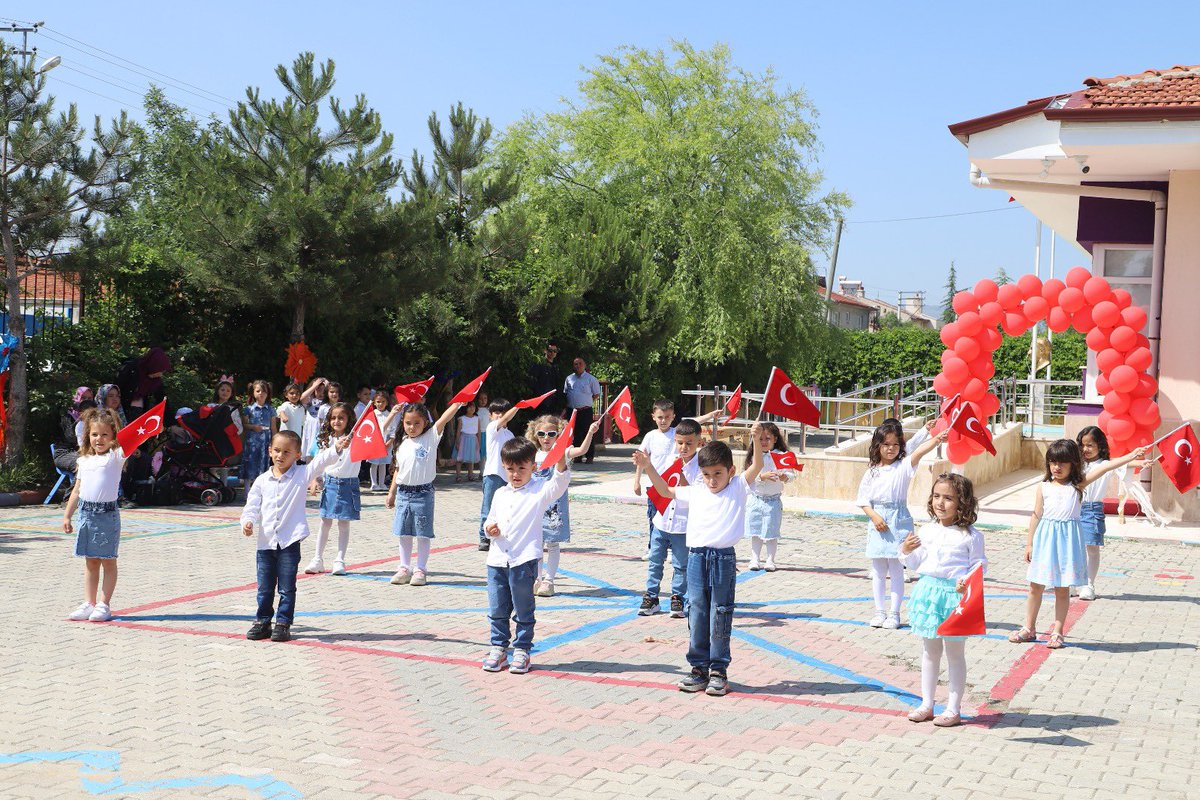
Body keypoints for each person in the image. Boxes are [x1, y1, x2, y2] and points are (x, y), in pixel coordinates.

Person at [635, 429, 767, 697]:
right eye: (706, 474)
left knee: (720, 611)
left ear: (730, 471)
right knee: (696, 610)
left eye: (717, 473)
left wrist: (755, 438)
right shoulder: (695, 491)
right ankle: (698, 668)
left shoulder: (739, 487)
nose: (712, 480)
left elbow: (757, 465)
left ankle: (718, 670)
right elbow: (664, 490)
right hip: (696, 557)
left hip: (723, 559)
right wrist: (647, 467)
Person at [1009, 439, 1145, 649]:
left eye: (1063, 462)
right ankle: (1029, 628)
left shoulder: (1078, 485)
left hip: (1067, 543)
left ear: (1074, 463)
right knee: (1035, 586)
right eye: (1053, 462)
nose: (1057, 467)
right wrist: (1029, 544)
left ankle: (1057, 632)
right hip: (1044, 541)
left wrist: (1131, 455)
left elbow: (1106, 466)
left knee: (1062, 589)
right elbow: (1036, 515)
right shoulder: (1043, 487)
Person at [241, 430, 350, 643]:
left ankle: (283, 623)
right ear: (270, 451)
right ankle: (263, 621)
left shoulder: (302, 474)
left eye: (287, 452)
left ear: (297, 455)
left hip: (290, 542)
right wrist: (248, 521)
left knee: (287, 586)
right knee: (264, 587)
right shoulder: (262, 480)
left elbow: (321, 461)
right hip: (266, 543)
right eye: (277, 450)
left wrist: (337, 447)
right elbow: (252, 505)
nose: (281, 455)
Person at [900, 473, 987, 728]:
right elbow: (916, 564)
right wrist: (906, 551)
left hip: (955, 598)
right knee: (929, 652)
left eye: (948, 498)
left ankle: (952, 708)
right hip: (928, 593)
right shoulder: (926, 530)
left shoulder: (970, 535)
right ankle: (927, 704)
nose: (941, 502)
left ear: (963, 502)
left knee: (955, 654)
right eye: (937, 496)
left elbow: (979, 564)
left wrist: (966, 580)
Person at [481, 437, 572, 674]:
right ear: (503, 466)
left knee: (523, 608)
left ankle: (522, 649)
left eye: (522, 468)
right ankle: (498, 649)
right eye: (510, 469)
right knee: (497, 608)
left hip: (524, 560)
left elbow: (560, 482)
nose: (516, 474)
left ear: (534, 466)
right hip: (497, 560)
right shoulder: (500, 493)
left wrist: (560, 454)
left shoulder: (540, 491)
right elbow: (490, 519)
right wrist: (490, 529)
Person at [856, 419, 946, 630]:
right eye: (886, 444)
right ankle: (879, 612)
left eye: (895, 445)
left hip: (899, 519)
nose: (891, 449)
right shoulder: (871, 472)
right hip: (878, 520)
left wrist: (935, 438)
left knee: (896, 569)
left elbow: (918, 450)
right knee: (878, 570)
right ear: (878, 445)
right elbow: (862, 500)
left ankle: (894, 614)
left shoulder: (904, 466)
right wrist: (875, 517)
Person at [385, 400, 464, 586]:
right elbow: (398, 469)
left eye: (417, 423)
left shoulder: (430, 437)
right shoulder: (402, 442)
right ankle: (404, 567)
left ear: (425, 423)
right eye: (408, 423)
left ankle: (420, 569)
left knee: (423, 533)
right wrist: (392, 493)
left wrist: (458, 403)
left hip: (423, 494)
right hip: (404, 493)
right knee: (403, 532)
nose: (412, 427)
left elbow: (444, 419)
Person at [525, 414, 602, 597]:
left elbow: (582, 450)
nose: (546, 438)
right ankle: (536, 579)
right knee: (536, 542)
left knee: (552, 543)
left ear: (559, 434)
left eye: (551, 434)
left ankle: (549, 580)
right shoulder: (532, 454)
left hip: (554, 506)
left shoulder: (563, 452)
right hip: (536, 503)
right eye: (541, 433)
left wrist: (590, 432)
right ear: (535, 434)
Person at [64, 408, 128, 623]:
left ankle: (104, 604)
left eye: (104, 435)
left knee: (108, 561)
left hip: (106, 515)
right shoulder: (84, 460)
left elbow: (135, 438)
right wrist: (67, 516)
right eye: (94, 434)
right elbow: (77, 490)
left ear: (113, 437)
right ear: (87, 436)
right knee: (90, 562)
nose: (99, 439)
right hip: (86, 514)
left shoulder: (116, 457)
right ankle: (89, 603)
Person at [638, 417, 704, 618]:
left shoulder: (701, 466)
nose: (683, 448)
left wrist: (681, 473)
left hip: (683, 525)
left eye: (689, 443)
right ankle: (651, 596)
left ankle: (677, 597)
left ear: (699, 442)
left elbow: (693, 493)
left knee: (680, 564)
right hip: (662, 520)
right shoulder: (669, 460)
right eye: (680, 443)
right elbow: (659, 484)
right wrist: (647, 467)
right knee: (655, 560)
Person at [303, 402, 359, 576]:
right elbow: (318, 463)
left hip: (349, 485)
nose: (337, 421)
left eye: (341, 418)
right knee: (325, 521)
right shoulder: (326, 440)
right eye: (333, 418)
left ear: (349, 419)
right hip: (330, 484)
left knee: (343, 523)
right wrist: (313, 479)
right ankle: (317, 559)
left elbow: (377, 435)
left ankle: (339, 560)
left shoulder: (356, 439)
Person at [743, 421, 799, 572]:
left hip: (773, 500)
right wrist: (762, 477)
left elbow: (791, 475)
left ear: (775, 438)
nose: (764, 442)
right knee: (755, 532)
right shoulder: (755, 457)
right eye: (760, 439)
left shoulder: (782, 456)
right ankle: (754, 559)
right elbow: (748, 477)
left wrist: (784, 476)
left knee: (771, 533)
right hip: (756, 499)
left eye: (767, 438)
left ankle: (770, 560)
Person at [478, 399, 521, 551]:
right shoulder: (491, 428)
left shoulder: (509, 434)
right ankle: (484, 538)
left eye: (503, 412)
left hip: (507, 476)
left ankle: (504, 533)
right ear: (490, 415)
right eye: (496, 412)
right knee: (488, 507)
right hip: (493, 475)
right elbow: (504, 420)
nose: (500, 416)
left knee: (506, 507)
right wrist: (518, 406)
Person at [563, 357, 601, 463]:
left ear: (584, 365)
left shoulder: (591, 379)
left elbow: (596, 394)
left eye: (580, 363)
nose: (578, 366)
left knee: (588, 432)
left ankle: (589, 456)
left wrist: (586, 401)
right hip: (572, 411)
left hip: (585, 411)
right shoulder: (569, 378)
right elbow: (566, 393)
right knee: (575, 433)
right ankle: (577, 456)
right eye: (575, 364)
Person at [241, 380, 277, 484]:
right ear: (253, 392)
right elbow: (244, 424)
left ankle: (262, 487)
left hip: (266, 440)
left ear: (268, 393)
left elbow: (273, 427)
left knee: (264, 462)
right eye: (258, 391)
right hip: (252, 440)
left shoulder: (271, 409)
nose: (261, 393)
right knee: (250, 462)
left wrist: (275, 442)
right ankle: (247, 489)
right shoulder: (248, 409)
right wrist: (253, 427)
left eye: (264, 391)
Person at [54, 386, 93, 474]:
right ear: (77, 398)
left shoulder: (94, 417)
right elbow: (71, 437)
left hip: (86, 453)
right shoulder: (67, 416)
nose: (86, 400)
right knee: (84, 464)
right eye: (83, 397)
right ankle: (76, 488)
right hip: (65, 453)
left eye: (89, 398)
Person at [368, 392, 401, 492]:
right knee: (374, 463)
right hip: (375, 441)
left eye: (383, 402)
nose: (380, 404)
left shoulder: (390, 414)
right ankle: (374, 483)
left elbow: (393, 430)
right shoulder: (372, 414)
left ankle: (381, 483)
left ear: (387, 403)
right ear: (374, 402)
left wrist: (390, 441)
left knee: (383, 463)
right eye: (378, 402)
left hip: (386, 442)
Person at [528, 343, 563, 416]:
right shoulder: (539, 364)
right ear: (545, 351)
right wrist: (539, 397)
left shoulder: (556, 367)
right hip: (541, 402)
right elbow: (532, 382)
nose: (553, 353)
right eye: (550, 350)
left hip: (553, 402)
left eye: (555, 351)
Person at [454, 400, 481, 482]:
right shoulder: (461, 418)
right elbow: (458, 431)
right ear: (465, 408)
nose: (472, 408)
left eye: (473, 406)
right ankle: (458, 475)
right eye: (469, 406)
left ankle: (471, 475)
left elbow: (478, 431)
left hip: (473, 439)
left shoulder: (477, 418)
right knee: (459, 459)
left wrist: (479, 443)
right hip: (463, 439)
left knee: (471, 459)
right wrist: (457, 442)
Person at [474, 391, 491, 465]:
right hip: (478, 434)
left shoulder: (489, 410)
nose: (483, 400)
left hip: (488, 434)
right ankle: (481, 472)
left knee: (487, 452)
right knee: (480, 453)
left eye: (485, 398)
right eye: (480, 399)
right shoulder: (475, 410)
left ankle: (485, 471)